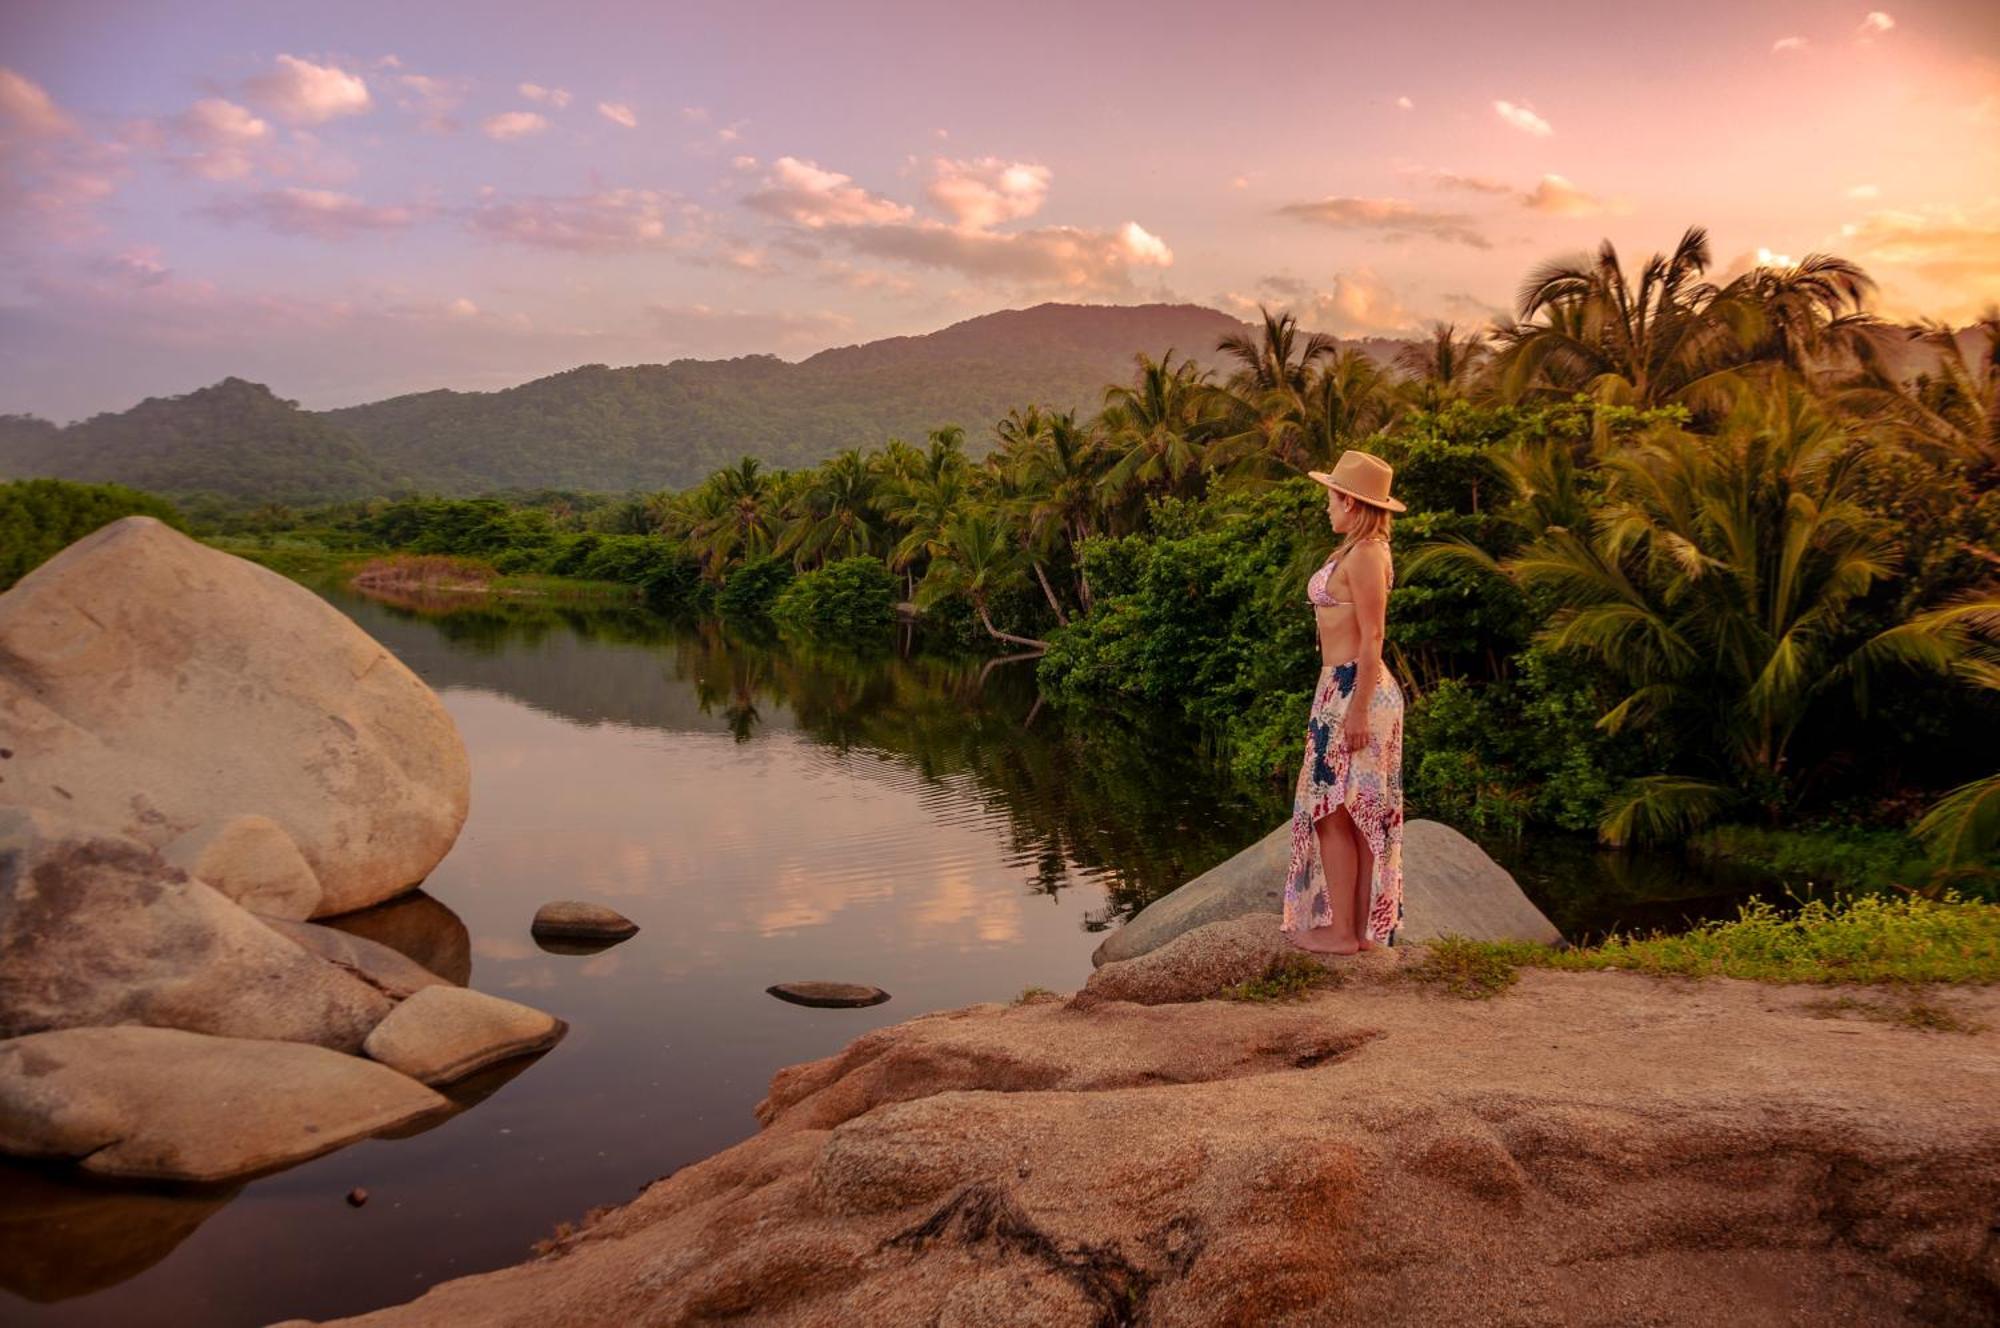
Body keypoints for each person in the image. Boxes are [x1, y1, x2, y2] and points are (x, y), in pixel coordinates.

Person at [1282, 450, 1406, 955]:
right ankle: (1355, 931)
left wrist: (1356, 710)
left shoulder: (1367, 555)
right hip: (1339, 686)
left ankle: (1344, 933)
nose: (1327, 507)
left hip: (1357, 688)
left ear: (1352, 503)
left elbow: (1374, 634)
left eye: (1332, 497)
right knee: (1348, 812)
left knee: (1334, 812)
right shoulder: (1357, 550)